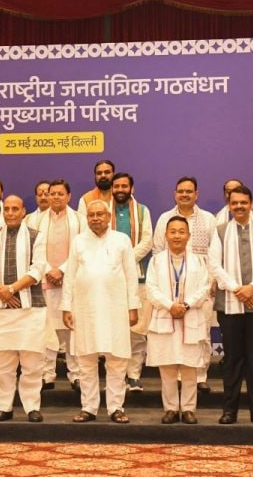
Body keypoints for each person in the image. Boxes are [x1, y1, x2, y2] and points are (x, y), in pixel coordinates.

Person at [62, 200, 141, 424]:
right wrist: (66, 307)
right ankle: (89, 408)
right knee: (86, 360)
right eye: (91, 215)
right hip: (84, 309)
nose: (95, 218)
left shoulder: (121, 240)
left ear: (108, 216)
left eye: (100, 214)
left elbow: (131, 276)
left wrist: (133, 307)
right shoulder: (78, 241)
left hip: (115, 309)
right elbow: (70, 276)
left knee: (117, 361)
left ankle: (116, 407)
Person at [209, 185, 253, 425]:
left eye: (243, 202)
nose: (239, 206)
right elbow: (214, 265)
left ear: (251, 204)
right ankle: (230, 410)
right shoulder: (219, 231)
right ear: (229, 205)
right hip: (229, 304)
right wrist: (238, 289)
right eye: (234, 203)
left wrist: (252, 288)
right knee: (233, 358)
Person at [0, 195, 48, 422]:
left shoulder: (36, 236)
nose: (10, 213)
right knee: (2, 364)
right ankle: (5, 407)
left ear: (23, 211)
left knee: (32, 363)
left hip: (30, 308)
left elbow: (38, 269)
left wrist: (12, 289)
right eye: (6, 209)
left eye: (15, 209)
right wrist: (1, 291)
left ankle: (32, 407)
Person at [152, 176, 217, 394]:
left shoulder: (208, 219)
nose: (185, 195)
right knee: (173, 335)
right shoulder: (165, 218)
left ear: (196, 194)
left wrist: (212, 280)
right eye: (181, 191)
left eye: (189, 191)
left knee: (201, 331)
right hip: (168, 284)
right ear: (175, 194)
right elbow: (157, 249)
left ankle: (200, 375)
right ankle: (178, 376)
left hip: (200, 284)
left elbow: (215, 252)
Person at [145, 216, 211, 424]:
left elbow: (204, 288)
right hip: (165, 317)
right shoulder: (156, 261)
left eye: (181, 232)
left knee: (190, 368)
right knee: (167, 368)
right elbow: (151, 289)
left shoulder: (198, 261)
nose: (177, 236)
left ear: (189, 236)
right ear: (166, 235)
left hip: (190, 317)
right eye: (172, 232)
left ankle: (189, 409)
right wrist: (169, 305)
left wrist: (187, 305)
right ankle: (171, 409)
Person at [35, 179, 83, 390]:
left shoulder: (80, 220)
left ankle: (76, 374)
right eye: (51, 193)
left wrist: (62, 270)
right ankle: (47, 374)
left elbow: (81, 250)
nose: (55, 197)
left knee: (72, 329)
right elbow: (34, 251)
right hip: (45, 280)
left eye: (59, 194)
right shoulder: (35, 220)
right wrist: (48, 270)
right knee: (46, 328)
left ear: (69, 196)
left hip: (71, 281)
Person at [110, 172, 153, 392]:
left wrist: (125, 259)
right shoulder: (103, 211)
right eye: (116, 186)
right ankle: (116, 377)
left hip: (139, 277)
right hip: (110, 279)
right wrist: (116, 263)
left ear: (131, 188)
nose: (120, 190)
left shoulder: (143, 211)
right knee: (114, 330)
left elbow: (147, 241)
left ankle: (133, 375)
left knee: (136, 330)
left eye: (124, 186)